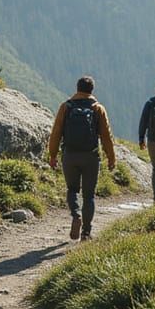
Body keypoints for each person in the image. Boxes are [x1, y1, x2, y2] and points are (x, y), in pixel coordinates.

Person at [48, 76, 116, 241]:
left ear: (77, 88)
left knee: (72, 190)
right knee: (89, 195)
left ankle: (76, 215)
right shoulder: (97, 108)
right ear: (92, 90)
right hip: (91, 156)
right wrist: (111, 158)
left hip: (70, 155)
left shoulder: (66, 107)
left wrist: (53, 155)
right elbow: (106, 136)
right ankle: (86, 232)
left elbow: (56, 132)